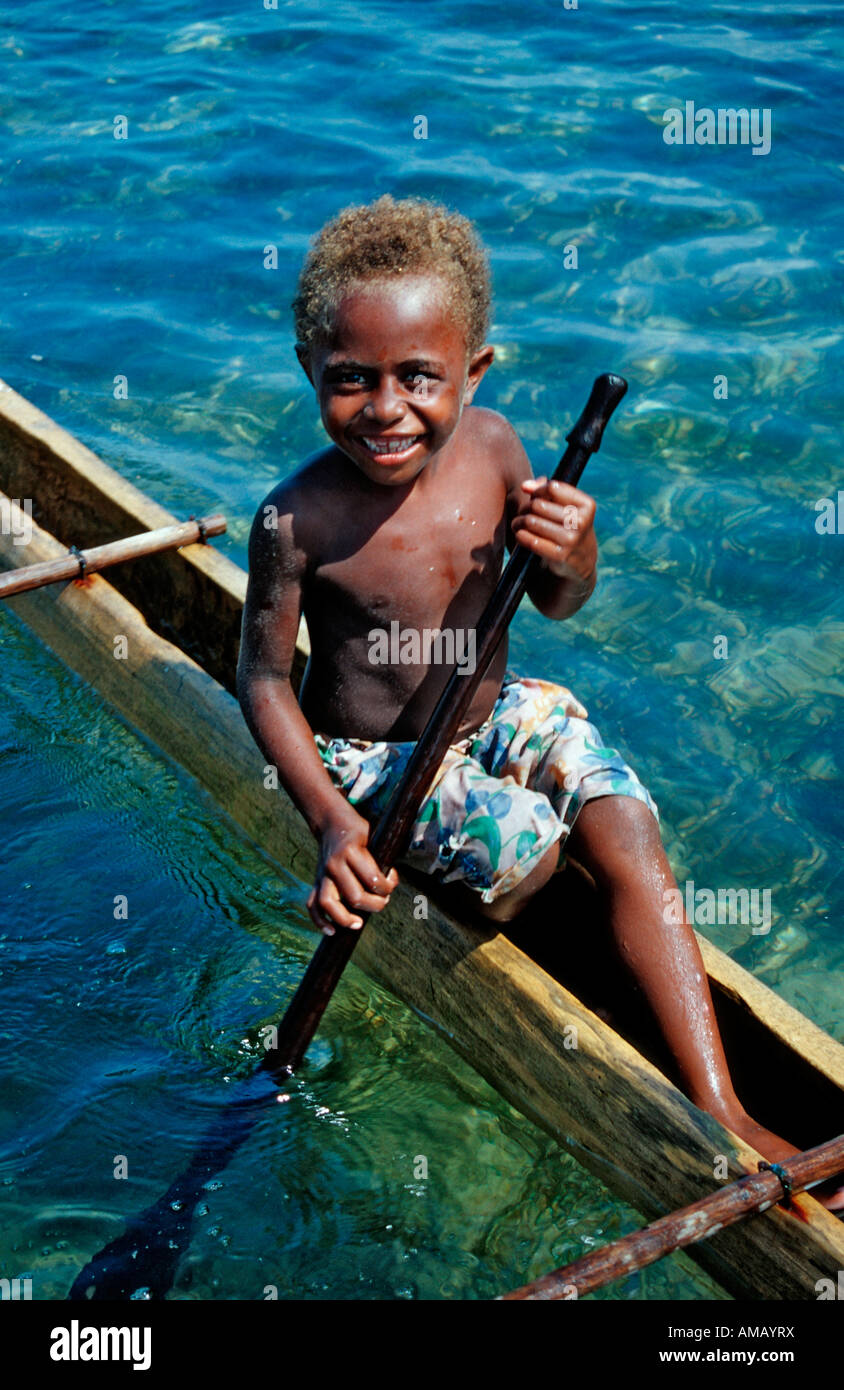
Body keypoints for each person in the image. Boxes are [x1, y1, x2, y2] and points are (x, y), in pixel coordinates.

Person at [237, 193, 841, 1203]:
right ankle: (533, 943)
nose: (385, 408)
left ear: (473, 371)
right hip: (375, 761)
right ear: (310, 372)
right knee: (528, 849)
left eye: (419, 377)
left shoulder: (498, 448)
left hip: (494, 708)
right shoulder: (294, 518)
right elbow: (260, 677)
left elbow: (557, 598)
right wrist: (332, 821)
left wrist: (578, 549)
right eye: (350, 379)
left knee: (626, 819)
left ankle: (719, 1103)